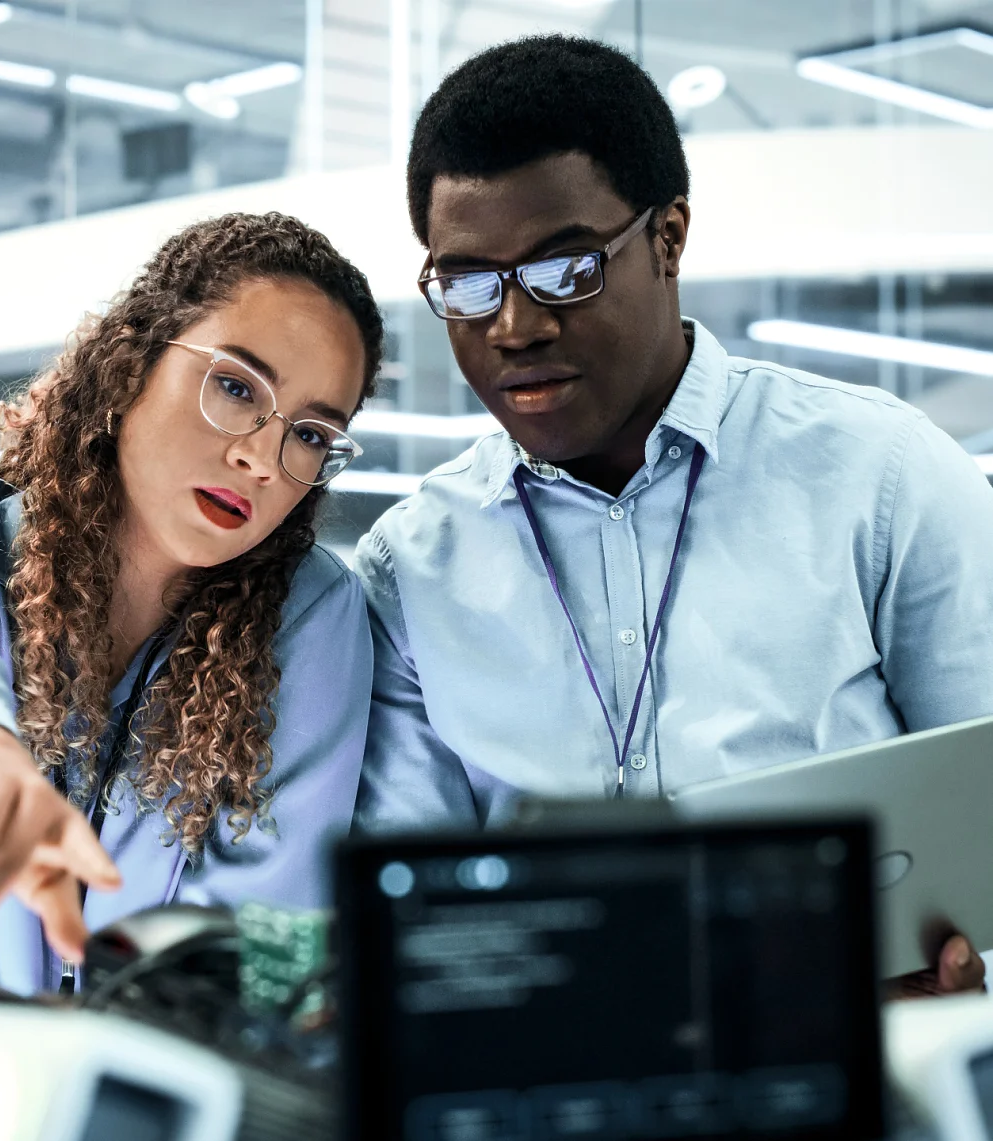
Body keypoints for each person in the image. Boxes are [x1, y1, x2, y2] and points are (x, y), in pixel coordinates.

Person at [353, 35, 993, 995]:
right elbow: (401, 923)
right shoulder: (411, 568)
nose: (512, 326)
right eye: (468, 283)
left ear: (668, 238)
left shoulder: (881, 476)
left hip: (861, 1060)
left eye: (563, 267)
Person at [0, 211, 383, 994]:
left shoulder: (312, 618)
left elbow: (257, 940)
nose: (261, 458)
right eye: (235, 387)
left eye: (308, 433)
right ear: (131, 363)